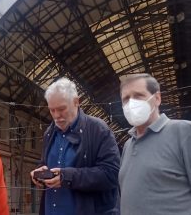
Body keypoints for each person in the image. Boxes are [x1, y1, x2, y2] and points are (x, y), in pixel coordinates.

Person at [30, 77, 120, 215]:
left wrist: (67, 177)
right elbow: (46, 162)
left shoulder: (98, 130)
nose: (56, 116)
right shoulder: (50, 133)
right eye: (52, 110)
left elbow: (111, 174)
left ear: (76, 102)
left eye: (61, 109)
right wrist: (39, 172)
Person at [119, 73, 191, 215]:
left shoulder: (184, 132)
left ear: (157, 98)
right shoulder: (128, 145)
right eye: (126, 99)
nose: (131, 104)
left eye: (138, 96)